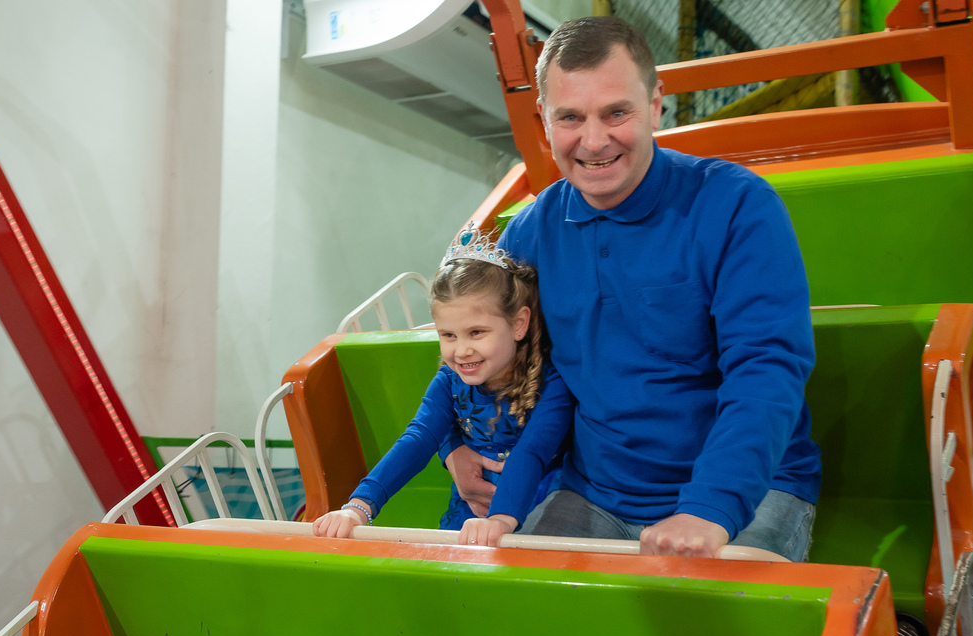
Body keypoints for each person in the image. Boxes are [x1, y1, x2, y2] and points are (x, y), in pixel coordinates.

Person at [442, 17, 821, 561]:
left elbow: (766, 366)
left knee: (711, 632)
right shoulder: (527, 231)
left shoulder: (737, 205)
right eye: (570, 117)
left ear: (655, 103)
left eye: (615, 112)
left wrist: (711, 507)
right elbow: (472, 343)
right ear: (544, 120)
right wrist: (453, 446)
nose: (593, 142)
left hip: (751, 490)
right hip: (595, 491)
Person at [313, 229, 572, 546]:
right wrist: (358, 508)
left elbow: (532, 451)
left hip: (539, 503)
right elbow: (418, 437)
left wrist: (502, 519)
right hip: (476, 509)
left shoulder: (551, 384)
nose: (461, 350)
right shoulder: (450, 381)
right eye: (448, 335)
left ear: (518, 324)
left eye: (476, 332)